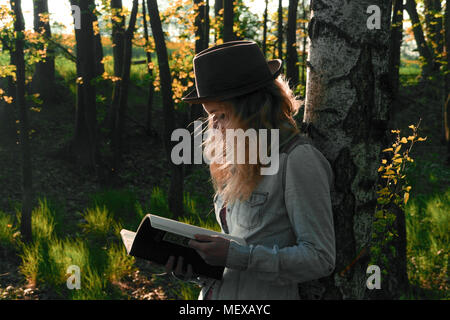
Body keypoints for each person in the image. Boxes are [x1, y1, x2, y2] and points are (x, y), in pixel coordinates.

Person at [165, 40, 336, 300]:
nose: (215, 127)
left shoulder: (298, 160)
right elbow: (234, 262)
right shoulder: (242, 159)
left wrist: (237, 256)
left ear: (252, 109)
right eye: (211, 116)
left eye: (221, 115)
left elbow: (320, 257)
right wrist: (197, 268)